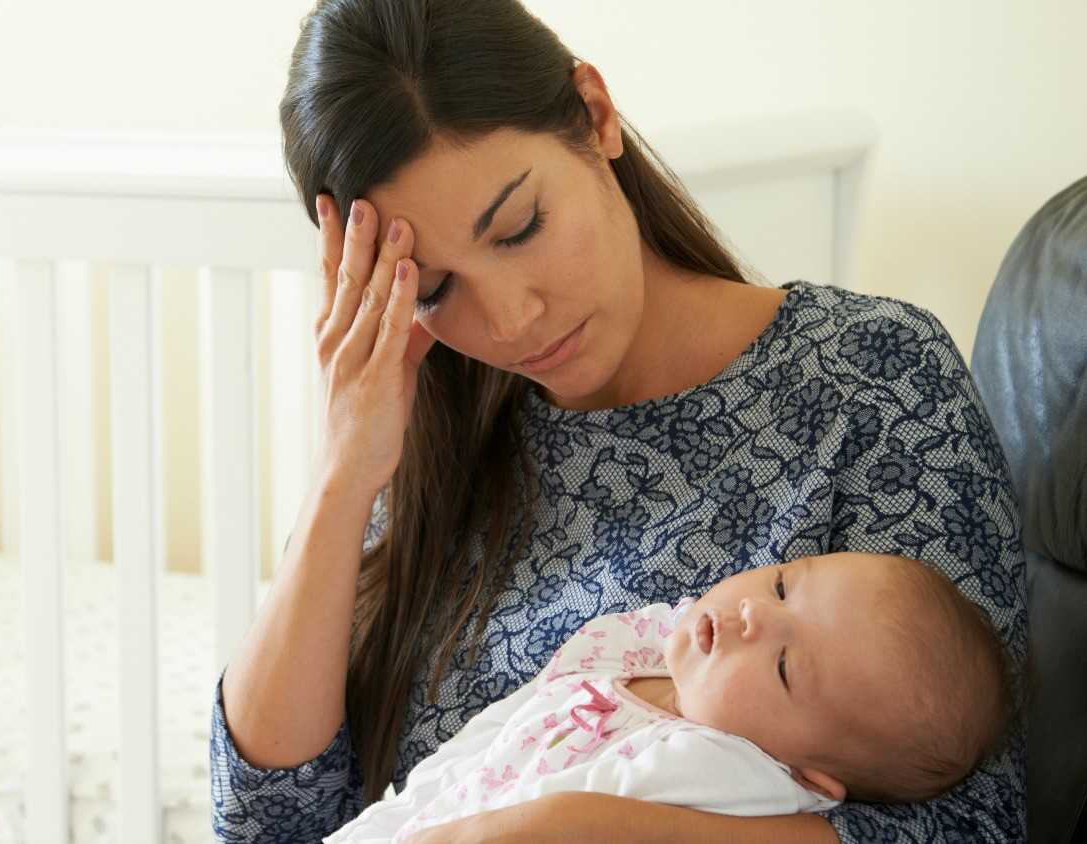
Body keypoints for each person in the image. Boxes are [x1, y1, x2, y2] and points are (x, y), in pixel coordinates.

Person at [211, 0, 1027, 840]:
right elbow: (266, 822)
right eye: (435, 290)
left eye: (520, 227)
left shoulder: (872, 377)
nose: (511, 321)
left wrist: (570, 828)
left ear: (595, 117)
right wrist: (343, 474)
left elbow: (973, 825)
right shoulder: (426, 441)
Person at [323, 551, 1016, 842]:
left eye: (782, 667)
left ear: (809, 777)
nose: (754, 617)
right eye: (781, 586)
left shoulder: (726, 771)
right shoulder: (656, 641)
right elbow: (496, 734)